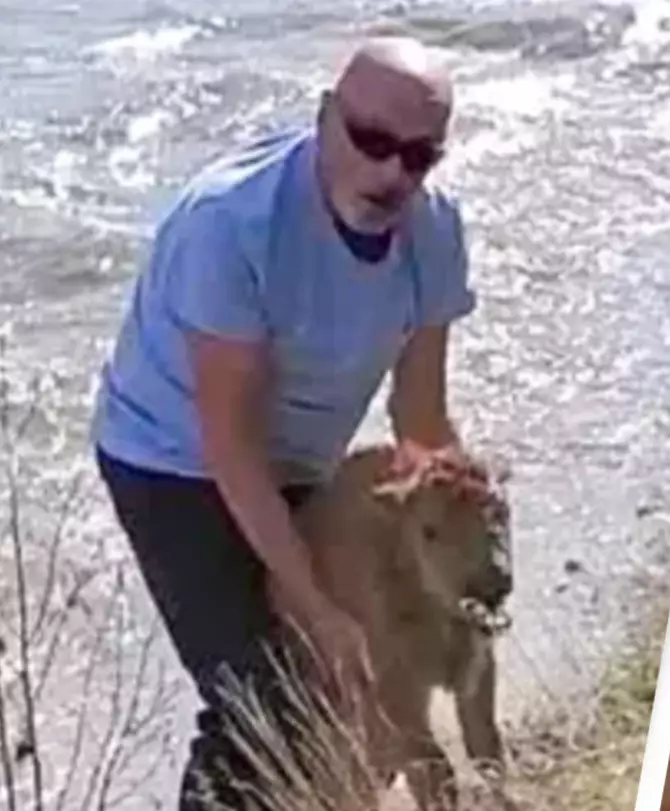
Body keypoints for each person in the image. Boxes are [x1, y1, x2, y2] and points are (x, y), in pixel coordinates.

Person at [88, 36, 474, 810]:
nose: (390, 173)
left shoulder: (433, 233)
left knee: (357, 678)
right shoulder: (230, 223)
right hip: (173, 458)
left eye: (417, 156)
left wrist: (459, 547)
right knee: (260, 699)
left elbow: (420, 415)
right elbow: (230, 445)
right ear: (325, 117)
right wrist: (318, 606)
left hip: (298, 457)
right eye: (371, 141)